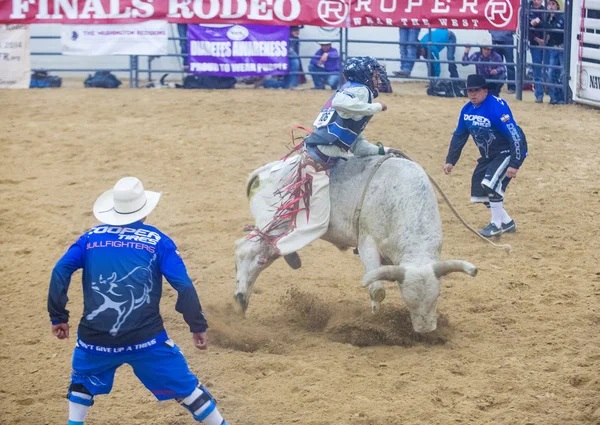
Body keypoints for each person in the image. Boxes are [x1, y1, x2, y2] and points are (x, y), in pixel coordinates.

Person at [48, 177, 228, 425]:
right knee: (188, 390)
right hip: (146, 340)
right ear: (145, 211)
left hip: (94, 338)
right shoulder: (158, 241)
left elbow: (60, 271)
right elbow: (184, 285)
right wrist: (196, 325)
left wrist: (58, 317)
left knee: (82, 384)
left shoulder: (89, 239)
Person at [251, 57, 401, 264]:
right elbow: (342, 105)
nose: (378, 79)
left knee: (305, 207)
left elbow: (359, 146)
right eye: (374, 74)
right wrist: (375, 107)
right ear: (364, 76)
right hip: (318, 163)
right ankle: (278, 246)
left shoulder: (350, 91)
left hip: (318, 157)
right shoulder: (360, 92)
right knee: (318, 224)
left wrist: (385, 150)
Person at [443, 74, 528, 237]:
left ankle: (496, 225)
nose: (473, 94)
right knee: (479, 190)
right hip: (490, 154)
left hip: (508, 151)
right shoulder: (467, 110)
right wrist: (450, 160)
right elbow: (459, 135)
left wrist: (515, 163)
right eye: (470, 91)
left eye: (476, 91)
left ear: (485, 91)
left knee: (490, 184)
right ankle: (507, 222)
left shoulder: (496, 107)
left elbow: (514, 135)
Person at [544, 0, 566, 104]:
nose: (551, 7)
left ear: (557, 6)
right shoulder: (548, 18)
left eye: (553, 4)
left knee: (562, 73)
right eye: (549, 4)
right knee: (551, 73)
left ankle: (562, 97)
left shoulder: (561, 17)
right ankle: (554, 97)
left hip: (562, 48)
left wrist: (541, 23)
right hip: (553, 48)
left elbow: (556, 29)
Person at [529, 0, 549, 103]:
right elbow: (527, 30)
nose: (536, 1)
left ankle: (550, 94)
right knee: (538, 70)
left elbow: (550, 26)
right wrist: (539, 40)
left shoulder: (545, 11)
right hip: (536, 43)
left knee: (549, 69)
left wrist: (545, 40)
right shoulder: (528, 10)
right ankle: (539, 95)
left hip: (545, 43)